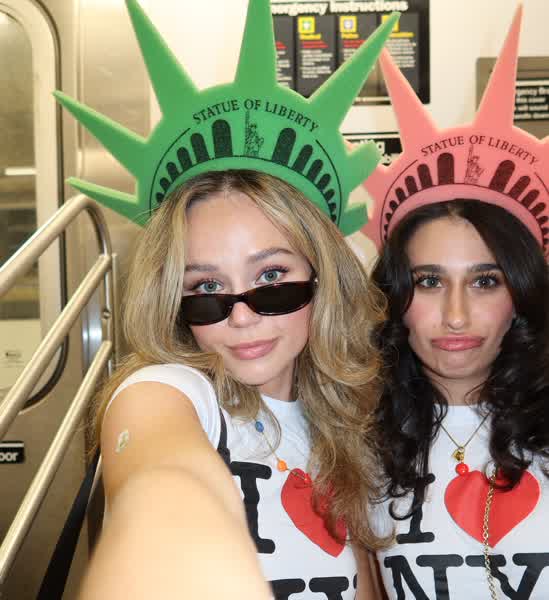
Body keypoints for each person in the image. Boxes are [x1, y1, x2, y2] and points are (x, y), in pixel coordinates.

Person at [56, 0, 400, 597]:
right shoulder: (167, 392)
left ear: (322, 277)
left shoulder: (342, 424)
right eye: (207, 287)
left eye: (271, 276)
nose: (241, 314)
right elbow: (163, 482)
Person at [361, 7, 549, 599]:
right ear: (396, 296)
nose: (457, 315)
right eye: (429, 281)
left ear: (520, 295)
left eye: (486, 281)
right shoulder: (357, 439)